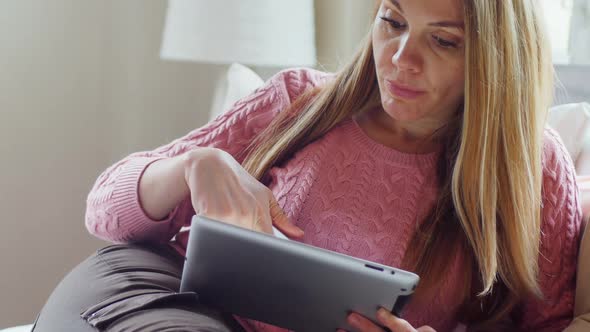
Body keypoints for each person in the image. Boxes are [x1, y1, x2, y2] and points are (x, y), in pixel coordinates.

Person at [31, 0, 586, 331]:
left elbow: (554, 324)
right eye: (392, 21)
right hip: (158, 294)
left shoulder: (535, 172)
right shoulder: (300, 100)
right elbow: (104, 211)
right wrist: (195, 165)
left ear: (495, 58)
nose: (400, 57)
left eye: (443, 41)